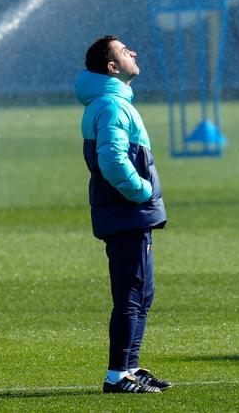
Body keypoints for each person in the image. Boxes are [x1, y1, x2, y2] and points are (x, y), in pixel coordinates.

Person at [75, 35, 171, 394]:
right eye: (123, 50)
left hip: (127, 214)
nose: (134, 51)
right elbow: (113, 161)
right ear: (112, 67)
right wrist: (142, 192)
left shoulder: (112, 102)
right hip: (126, 212)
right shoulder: (111, 106)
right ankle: (117, 375)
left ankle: (130, 367)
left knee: (142, 293)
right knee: (131, 294)